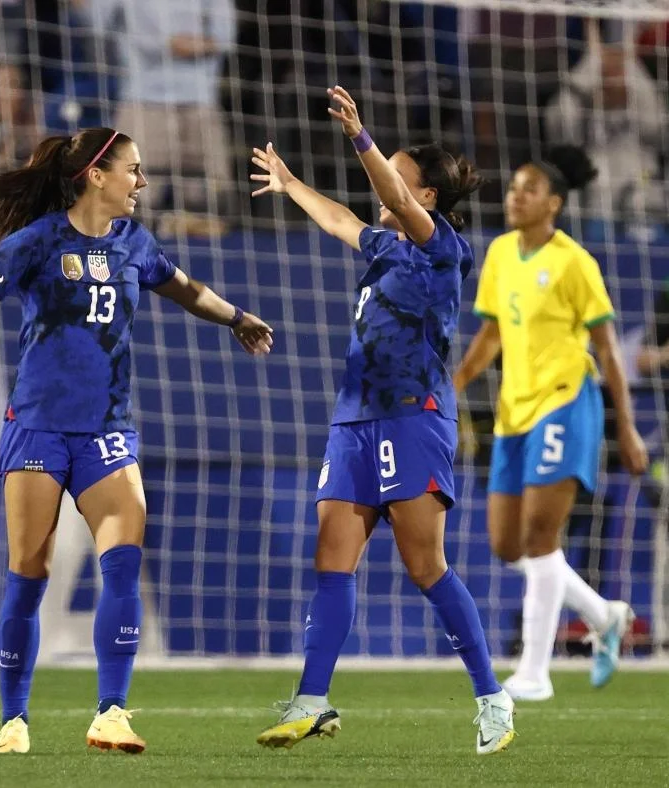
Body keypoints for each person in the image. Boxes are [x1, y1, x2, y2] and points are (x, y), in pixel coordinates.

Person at [0, 127, 275, 755]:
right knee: (28, 575)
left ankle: (111, 712)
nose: (142, 183)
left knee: (123, 559)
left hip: (107, 431)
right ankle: (14, 720)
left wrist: (237, 318)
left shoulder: (134, 243)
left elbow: (187, 289)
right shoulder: (33, 243)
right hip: (36, 428)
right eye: (133, 171)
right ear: (96, 175)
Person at [249, 86, 515, 755]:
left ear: (425, 196)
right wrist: (291, 184)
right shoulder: (385, 248)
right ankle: (311, 699)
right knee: (331, 560)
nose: (385, 189)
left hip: (412, 418)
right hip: (354, 419)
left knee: (425, 566)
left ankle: (492, 697)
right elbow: (342, 220)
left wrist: (361, 139)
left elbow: (391, 198)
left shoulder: (441, 249)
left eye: (399, 176)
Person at [453, 145, 646, 702]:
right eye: (513, 188)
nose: (515, 196)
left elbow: (609, 351)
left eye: (528, 189)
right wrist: (455, 385)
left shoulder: (573, 262)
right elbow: (491, 334)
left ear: (554, 204)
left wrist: (626, 428)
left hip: (566, 401)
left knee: (541, 535)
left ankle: (534, 673)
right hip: (515, 410)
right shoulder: (499, 256)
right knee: (505, 544)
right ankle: (604, 614)